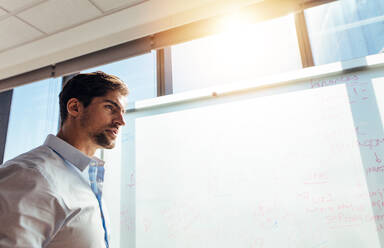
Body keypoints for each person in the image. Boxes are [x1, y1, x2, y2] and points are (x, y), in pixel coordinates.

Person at [0, 71, 128, 248]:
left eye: (122, 112)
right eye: (110, 108)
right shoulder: (31, 175)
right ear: (75, 107)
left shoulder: (86, 179)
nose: (121, 121)